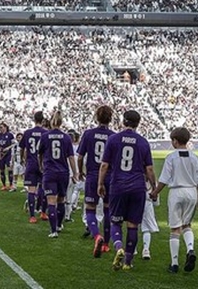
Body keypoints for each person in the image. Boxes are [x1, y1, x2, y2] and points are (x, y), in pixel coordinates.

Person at [98, 110, 156, 272]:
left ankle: (118, 248)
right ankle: (128, 262)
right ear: (138, 123)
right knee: (133, 225)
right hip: (138, 187)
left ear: (123, 122)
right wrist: (154, 187)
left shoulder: (114, 139)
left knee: (115, 221)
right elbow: (149, 169)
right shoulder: (143, 142)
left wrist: (100, 184)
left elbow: (104, 165)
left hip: (118, 186)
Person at [150, 127, 198, 274]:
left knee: (175, 229)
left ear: (175, 141)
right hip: (191, 192)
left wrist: (155, 192)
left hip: (176, 192)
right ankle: (190, 249)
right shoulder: (195, 157)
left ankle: (174, 264)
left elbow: (163, 179)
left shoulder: (171, 157)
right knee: (187, 225)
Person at [78, 105, 116, 257]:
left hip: (93, 175)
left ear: (96, 117)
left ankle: (96, 235)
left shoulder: (88, 134)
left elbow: (80, 156)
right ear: (110, 118)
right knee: (108, 209)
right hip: (109, 176)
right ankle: (106, 244)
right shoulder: (114, 136)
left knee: (90, 208)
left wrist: (80, 171)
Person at [37, 111, 77, 238]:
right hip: (63, 172)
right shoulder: (66, 137)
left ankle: (53, 230)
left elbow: (40, 154)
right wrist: (75, 172)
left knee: (51, 201)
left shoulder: (45, 136)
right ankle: (59, 225)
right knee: (61, 200)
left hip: (50, 172)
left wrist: (41, 165)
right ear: (61, 122)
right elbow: (71, 157)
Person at [20, 111, 48, 224]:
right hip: (43, 164)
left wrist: (22, 159)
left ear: (34, 119)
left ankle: (32, 216)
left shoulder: (27, 133)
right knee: (44, 188)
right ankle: (43, 212)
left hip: (31, 163)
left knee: (31, 190)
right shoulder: (46, 133)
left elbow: (22, 148)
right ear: (43, 120)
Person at [64, 131, 84, 222]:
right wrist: (75, 174)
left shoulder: (64, 148)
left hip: (62, 174)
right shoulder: (72, 150)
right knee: (69, 194)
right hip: (70, 174)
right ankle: (67, 215)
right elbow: (73, 161)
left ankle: (64, 213)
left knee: (64, 195)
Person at [141, 180, 160, 261]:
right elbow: (156, 203)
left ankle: (132, 248)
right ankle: (146, 249)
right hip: (147, 205)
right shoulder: (153, 182)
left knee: (132, 226)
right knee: (146, 228)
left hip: (134, 203)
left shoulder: (133, 176)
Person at [0, 122, 15, 191]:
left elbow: (13, 144)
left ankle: (11, 185)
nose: (0, 129)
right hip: (1, 155)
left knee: (9, 168)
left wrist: (8, 148)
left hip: (8, 154)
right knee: (1, 169)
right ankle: (4, 185)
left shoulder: (10, 135)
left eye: (1, 127)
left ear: (5, 127)